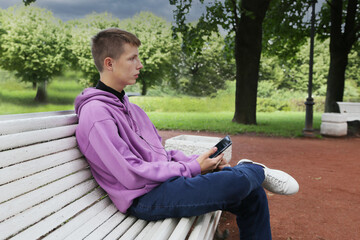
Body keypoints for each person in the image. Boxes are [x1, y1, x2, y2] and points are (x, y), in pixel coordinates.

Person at [74, 28, 299, 240]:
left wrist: (198, 162)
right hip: (144, 198)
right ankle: (255, 169)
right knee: (240, 182)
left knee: (252, 195)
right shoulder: (96, 114)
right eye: (132, 58)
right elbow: (130, 174)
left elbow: (160, 155)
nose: (140, 65)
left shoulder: (131, 108)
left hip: (164, 184)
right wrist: (192, 169)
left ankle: (248, 171)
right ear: (109, 63)